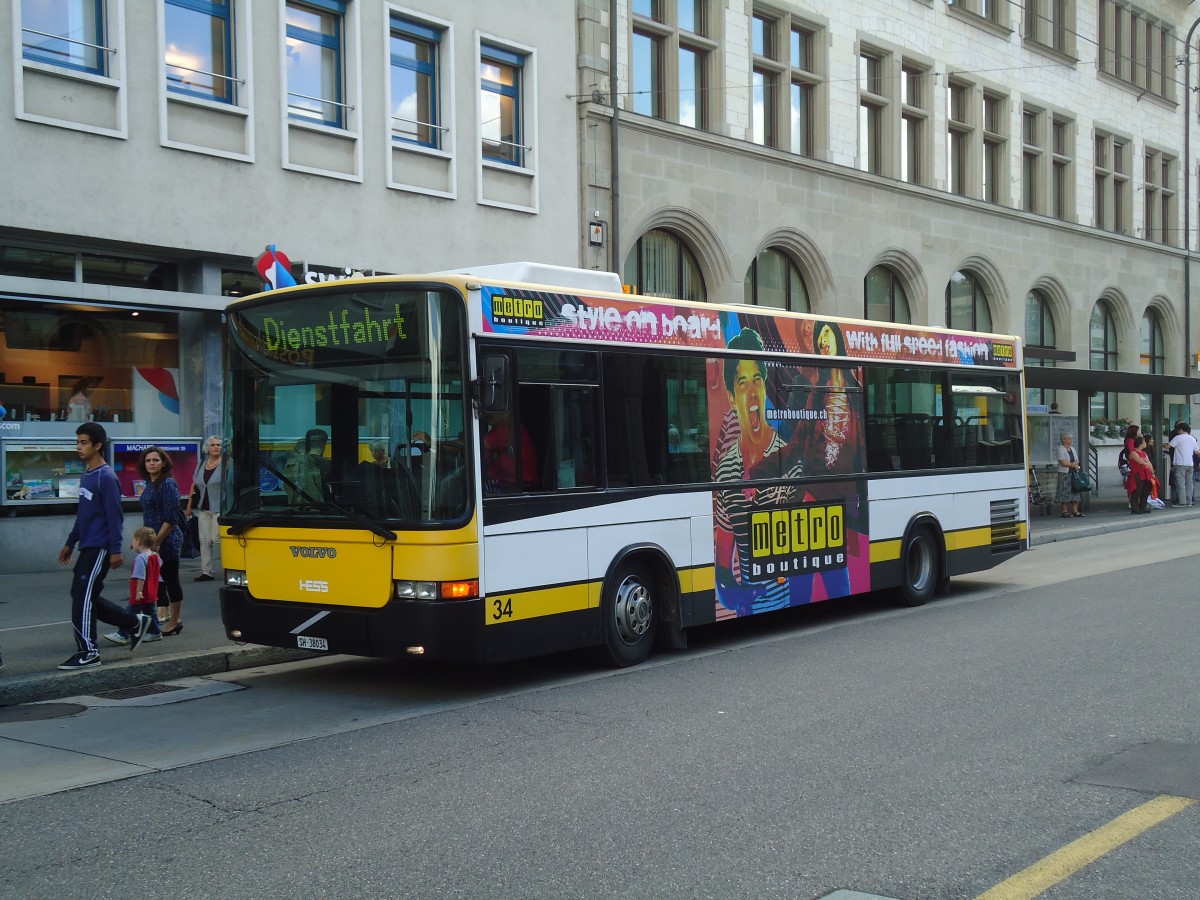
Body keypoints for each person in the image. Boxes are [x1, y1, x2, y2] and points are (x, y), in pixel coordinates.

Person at [57, 422, 152, 670]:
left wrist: (115, 550)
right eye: (77, 442)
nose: (79, 447)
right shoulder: (87, 475)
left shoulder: (106, 477)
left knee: (82, 598)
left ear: (98, 445)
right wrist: (70, 543)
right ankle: (134, 624)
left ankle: (88, 652)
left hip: (100, 547)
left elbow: (114, 516)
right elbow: (83, 515)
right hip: (86, 546)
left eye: (84, 442)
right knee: (83, 596)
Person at [185, 435, 223, 581]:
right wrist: (189, 505)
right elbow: (194, 485)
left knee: (216, 538)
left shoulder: (225, 464)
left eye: (218, 445)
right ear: (207, 448)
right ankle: (207, 571)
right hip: (203, 508)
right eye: (213, 445)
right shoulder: (201, 464)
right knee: (204, 540)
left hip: (220, 508)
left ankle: (229, 567)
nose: (216, 447)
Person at [124, 526, 163, 641]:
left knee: (130, 613)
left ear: (139, 542)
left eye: (133, 540)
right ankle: (155, 632)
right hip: (151, 590)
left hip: (141, 592)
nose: (132, 543)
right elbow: (159, 565)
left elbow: (140, 576)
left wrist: (138, 591)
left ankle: (123, 633)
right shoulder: (154, 555)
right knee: (150, 611)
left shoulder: (141, 558)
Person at [483, 411, 537, 492]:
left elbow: (481, 445)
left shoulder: (511, 428)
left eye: (495, 408)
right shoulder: (494, 431)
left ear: (507, 412)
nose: (489, 412)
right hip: (502, 482)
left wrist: (463, 441)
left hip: (520, 486)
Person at [1167, 422, 1198, 507]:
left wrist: (1162, 445)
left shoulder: (1178, 437)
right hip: (1190, 464)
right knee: (1189, 483)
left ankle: (1182, 502)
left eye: (1178, 430)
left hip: (1180, 463)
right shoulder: (1192, 438)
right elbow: (1197, 451)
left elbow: (1168, 446)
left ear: (1180, 429)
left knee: (1180, 483)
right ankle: (1189, 501)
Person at [1125, 434, 1156, 514]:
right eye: (1144, 442)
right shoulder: (1133, 453)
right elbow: (1141, 462)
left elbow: (1148, 463)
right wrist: (1145, 461)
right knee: (1137, 491)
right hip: (1137, 474)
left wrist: (1152, 473)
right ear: (1140, 443)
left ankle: (1143, 506)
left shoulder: (1143, 453)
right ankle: (1134, 508)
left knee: (1146, 491)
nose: (1145, 443)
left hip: (1146, 473)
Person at [1055, 432, 1083, 518]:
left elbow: (1077, 460)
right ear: (1064, 440)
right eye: (1069, 438)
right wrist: (1073, 465)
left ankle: (1075, 511)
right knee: (1064, 492)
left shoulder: (1073, 449)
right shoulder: (1060, 449)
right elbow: (1063, 462)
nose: (1071, 440)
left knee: (1075, 491)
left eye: (1071, 438)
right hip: (1065, 473)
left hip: (1074, 473)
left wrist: (1074, 464)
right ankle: (1064, 511)